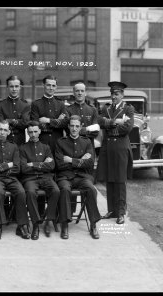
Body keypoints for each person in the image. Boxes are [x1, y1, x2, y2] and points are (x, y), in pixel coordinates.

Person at [55, 115, 102, 239]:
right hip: (65, 177)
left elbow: (90, 162)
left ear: (81, 127)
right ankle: (64, 225)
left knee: (91, 190)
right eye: (72, 126)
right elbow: (59, 164)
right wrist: (80, 161)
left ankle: (93, 224)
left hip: (83, 177)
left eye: (77, 126)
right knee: (64, 190)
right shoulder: (61, 142)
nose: (74, 129)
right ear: (68, 126)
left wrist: (70, 160)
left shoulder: (86, 142)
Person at [97, 81, 134, 225]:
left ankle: (120, 213)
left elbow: (128, 127)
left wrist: (110, 126)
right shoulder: (105, 108)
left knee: (119, 180)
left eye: (116, 94)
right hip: (107, 147)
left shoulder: (128, 109)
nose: (113, 96)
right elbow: (99, 121)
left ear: (122, 95)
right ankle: (111, 210)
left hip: (120, 148)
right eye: (112, 94)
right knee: (109, 179)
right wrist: (114, 122)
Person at [0, 120, 29, 241]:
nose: (2, 132)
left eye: (5, 130)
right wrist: (7, 165)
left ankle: (22, 226)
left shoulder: (14, 146)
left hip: (11, 178)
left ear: (9, 132)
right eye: (0, 129)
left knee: (21, 192)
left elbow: (17, 167)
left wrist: (0, 167)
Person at [19, 121, 59, 240]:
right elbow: (24, 168)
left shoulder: (46, 147)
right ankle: (36, 224)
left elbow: (51, 166)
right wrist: (42, 164)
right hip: (30, 179)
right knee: (30, 193)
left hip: (45, 177)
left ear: (40, 131)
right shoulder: (22, 148)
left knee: (56, 191)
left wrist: (33, 164)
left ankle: (48, 220)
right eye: (30, 132)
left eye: (35, 131)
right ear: (27, 132)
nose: (33, 134)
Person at [30, 75, 69, 155]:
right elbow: (36, 125)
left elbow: (66, 123)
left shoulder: (61, 104)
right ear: (43, 85)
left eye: (53, 85)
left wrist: (48, 121)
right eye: (48, 85)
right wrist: (57, 122)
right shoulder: (36, 104)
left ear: (56, 87)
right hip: (42, 144)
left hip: (58, 144)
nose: (51, 88)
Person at [0, 75, 30, 145]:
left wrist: (9, 121)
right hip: (4, 141)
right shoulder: (0, 105)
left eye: (16, 86)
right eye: (11, 86)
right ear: (7, 87)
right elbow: (0, 123)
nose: (14, 89)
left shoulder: (25, 105)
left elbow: (25, 123)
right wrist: (18, 121)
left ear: (20, 87)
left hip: (19, 141)